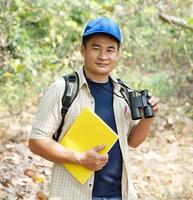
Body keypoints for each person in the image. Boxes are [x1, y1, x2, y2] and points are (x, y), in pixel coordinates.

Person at [28, 17, 160, 200]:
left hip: (120, 194)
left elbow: (132, 142)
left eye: (110, 50)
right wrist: (79, 158)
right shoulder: (62, 89)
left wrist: (149, 118)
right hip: (74, 194)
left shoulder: (124, 93)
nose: (103, 56)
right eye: (96, 48)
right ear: (83, 50)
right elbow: (36, 142)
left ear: (118, 54)